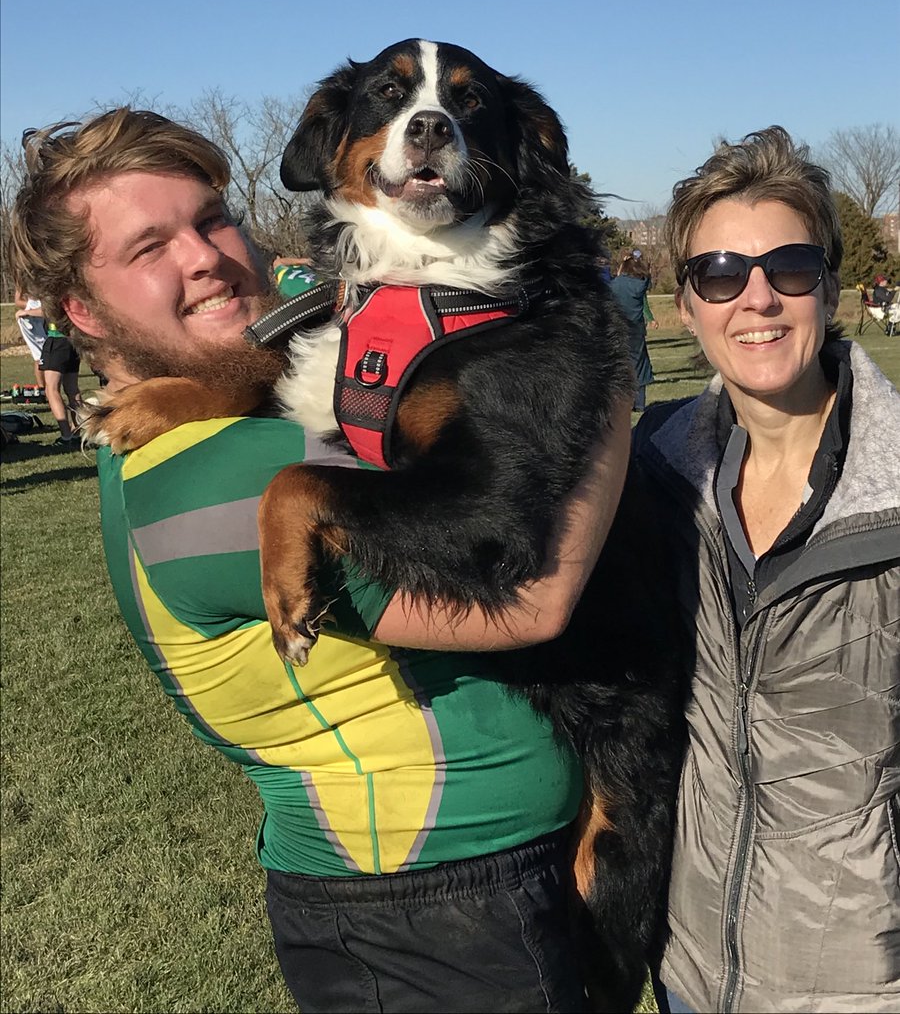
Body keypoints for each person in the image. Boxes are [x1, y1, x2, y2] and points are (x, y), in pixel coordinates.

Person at [10, 109, 632, 1014]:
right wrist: (602, 383)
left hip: (474, 890)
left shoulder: (217, 416)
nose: (206, 257)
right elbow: (530, 593)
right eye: (151, 247)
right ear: (77, 309)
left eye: (212, 218)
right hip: (425, 913)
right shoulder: (211, 484)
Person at [602, 127, 899, 1012]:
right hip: (691, 974)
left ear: (833, 288)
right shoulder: (645, 471)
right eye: (721, 274)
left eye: (792, 267)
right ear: (686, 306)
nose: (758, 299)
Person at [609, 249, 657, 413]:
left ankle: (623, 402)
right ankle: (640, 403)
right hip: (637, 328)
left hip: (619, 326)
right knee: (640, 364)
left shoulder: (615, 284)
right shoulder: (641, 284)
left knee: (621, 363)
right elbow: (647, 278)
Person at [13, 287, 47, 394]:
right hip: (32, 322)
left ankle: (44, 389)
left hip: (41, 319)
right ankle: (42, 389)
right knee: (40, 356)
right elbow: (19, 302)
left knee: (42, 356)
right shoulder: (33, 303)